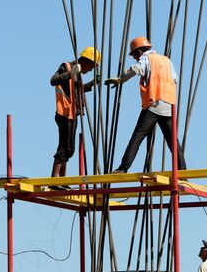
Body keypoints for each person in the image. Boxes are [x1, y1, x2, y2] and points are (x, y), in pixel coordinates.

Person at [104, 37, 186, 173]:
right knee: (173, 142)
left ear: (140, 51)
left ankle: (123, 168)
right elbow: (175, 79)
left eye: (135, 55)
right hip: (169, 106)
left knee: (137, 136)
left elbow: (136, 69)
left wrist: (120, 79)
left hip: (154, 104)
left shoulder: (147, 59)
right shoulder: (167, 60)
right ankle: (183, 172)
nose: (135, 58)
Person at [50, 47, 100, 180]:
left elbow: (78, 90)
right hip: (64, 113)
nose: (90, 70)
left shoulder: (77, 74)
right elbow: (53, 80)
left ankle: (62, 179)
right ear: (85, 62)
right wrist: (70, 73)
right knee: (64, 147)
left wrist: (92, 84)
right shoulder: (67, 67)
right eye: (91, 67)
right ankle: (54, 179)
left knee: (69, 149)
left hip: (72, 114)